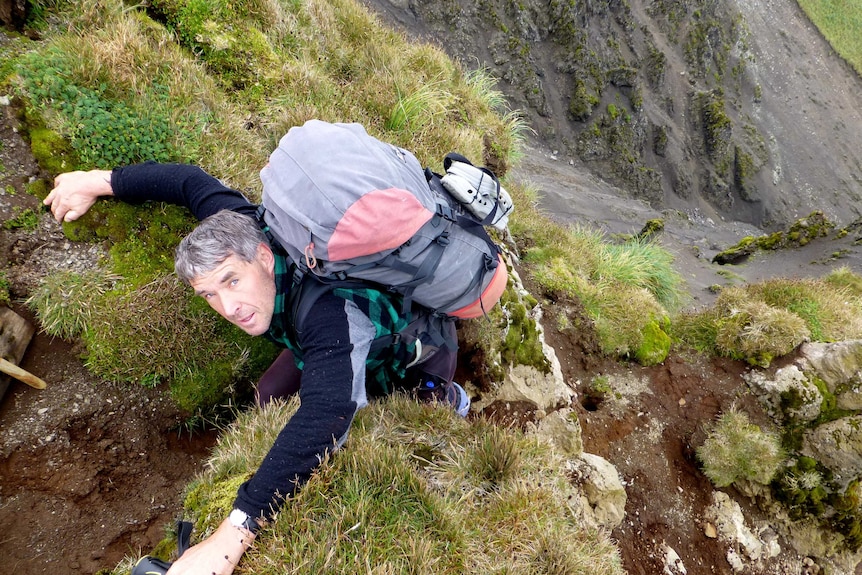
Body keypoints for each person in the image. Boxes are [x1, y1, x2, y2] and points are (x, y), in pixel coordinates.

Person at [44, 154, 470, 575]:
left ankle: (451, 396)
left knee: (414, 405)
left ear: (264, 257)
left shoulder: (330, 311)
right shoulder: (240, 226)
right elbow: (189, 182)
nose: (228, 307)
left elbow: (328, 413)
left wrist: (231, 538)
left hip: (414, 347)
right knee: (268, 396)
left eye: (232, 280)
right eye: (209, 294)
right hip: (319, 343)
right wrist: (94, 181)